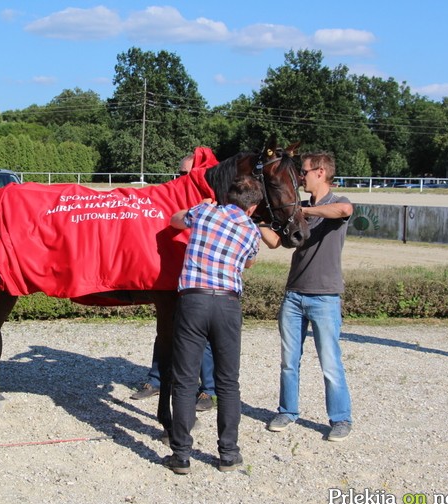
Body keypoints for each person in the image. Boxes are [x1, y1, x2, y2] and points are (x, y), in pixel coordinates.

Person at [163, 176, 264, 475]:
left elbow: (175, 220)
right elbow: (249, 263)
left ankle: (181, 454)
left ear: (227, 196)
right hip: (228, 303)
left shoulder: (205, 212)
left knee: (184, 380)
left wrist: (200, 206)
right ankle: (228, 454)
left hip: (193, 299)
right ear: (253, 206)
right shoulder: (251, 229)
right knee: (228, 382)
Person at [261, 152, 354, 442]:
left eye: (304, 172)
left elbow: (344, 211)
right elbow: (276, 242)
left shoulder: (335, 203)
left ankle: (340, 419)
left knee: (330, 363)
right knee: (289, 361)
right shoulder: (295, 207)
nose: (301, 177)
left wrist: (305, 213)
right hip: (293, 296)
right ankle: (287, 411)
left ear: (321, 172)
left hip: (325, 298)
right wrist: (257, 222)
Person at [131, 153, 216, 412]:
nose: (182, 180)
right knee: (165, 330)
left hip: (197, 280)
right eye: (179, 174)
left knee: (198, 335)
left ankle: (208, 390)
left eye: (187, 175)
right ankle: (156, 380)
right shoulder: (172, 202)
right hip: (174, 276)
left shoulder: (210, 207)